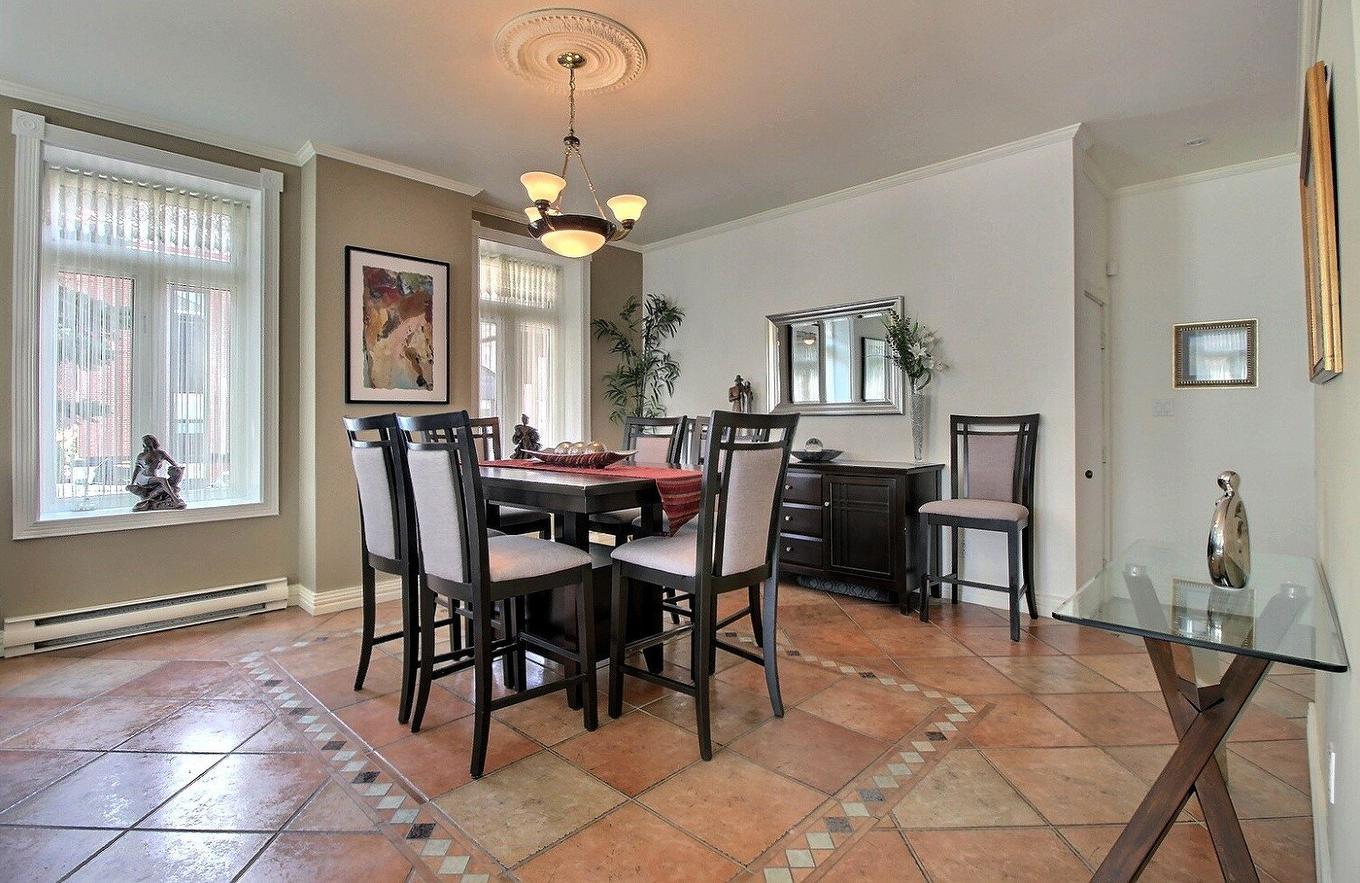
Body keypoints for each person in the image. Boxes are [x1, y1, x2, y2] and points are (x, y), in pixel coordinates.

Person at [126, 434, 187, 511]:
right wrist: (132, 483)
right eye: (145, 442)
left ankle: (152, 500)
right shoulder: (141, 456)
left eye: (149, 441)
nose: (148, 443)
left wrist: (178, 468)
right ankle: (175, 500)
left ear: (153, 442)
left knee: (169, 485)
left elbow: (173, 462)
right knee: (163, 480)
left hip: (153, 478)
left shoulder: (161, 453)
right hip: (144, 478)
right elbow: (136, 470)